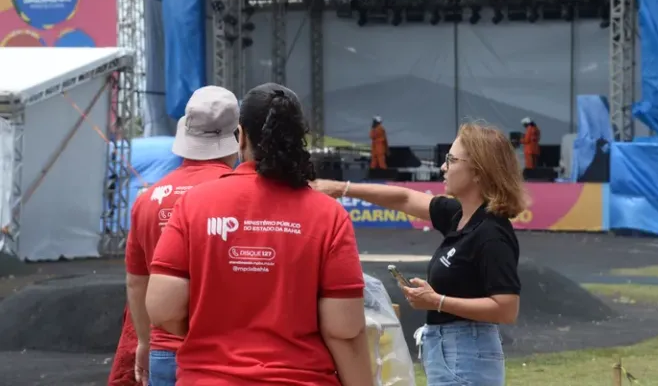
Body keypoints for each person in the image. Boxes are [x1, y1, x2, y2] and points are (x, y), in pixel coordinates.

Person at [145, 83, 373, 386]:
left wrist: (216, 337)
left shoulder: (194, 204)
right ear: (299, 136)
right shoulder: (328, 215)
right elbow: (344, 329)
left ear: (241, 136)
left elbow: (164, 309)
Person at [312, 122, 523, 386]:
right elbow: (404, 199)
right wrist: (341, 188)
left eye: (451, 159)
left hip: (466, 351)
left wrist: (437, 301)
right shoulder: (459, 216)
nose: (443, 167)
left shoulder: (492, 233)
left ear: (479, 171)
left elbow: (506, 309)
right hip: (453, 350)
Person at [109, 86, 240, 386]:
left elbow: (137, 280)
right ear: (238, 138)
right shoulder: (244, 196)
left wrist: (144, 341)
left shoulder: (148, 198)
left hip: (164, 350)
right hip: (230, 352)